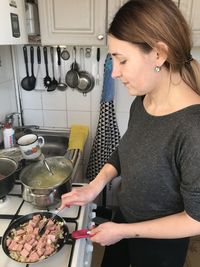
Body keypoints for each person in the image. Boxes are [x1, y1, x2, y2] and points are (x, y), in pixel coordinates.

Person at [60, 0, 200, 266]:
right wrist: (95, 186)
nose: (114, 73)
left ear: (159, 54)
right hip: (124, 221)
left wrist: (124, 232)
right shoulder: (144, 100)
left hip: (160, 245)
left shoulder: (193, 129)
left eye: (122, 60)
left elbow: (196, 219)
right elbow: (128, 148)